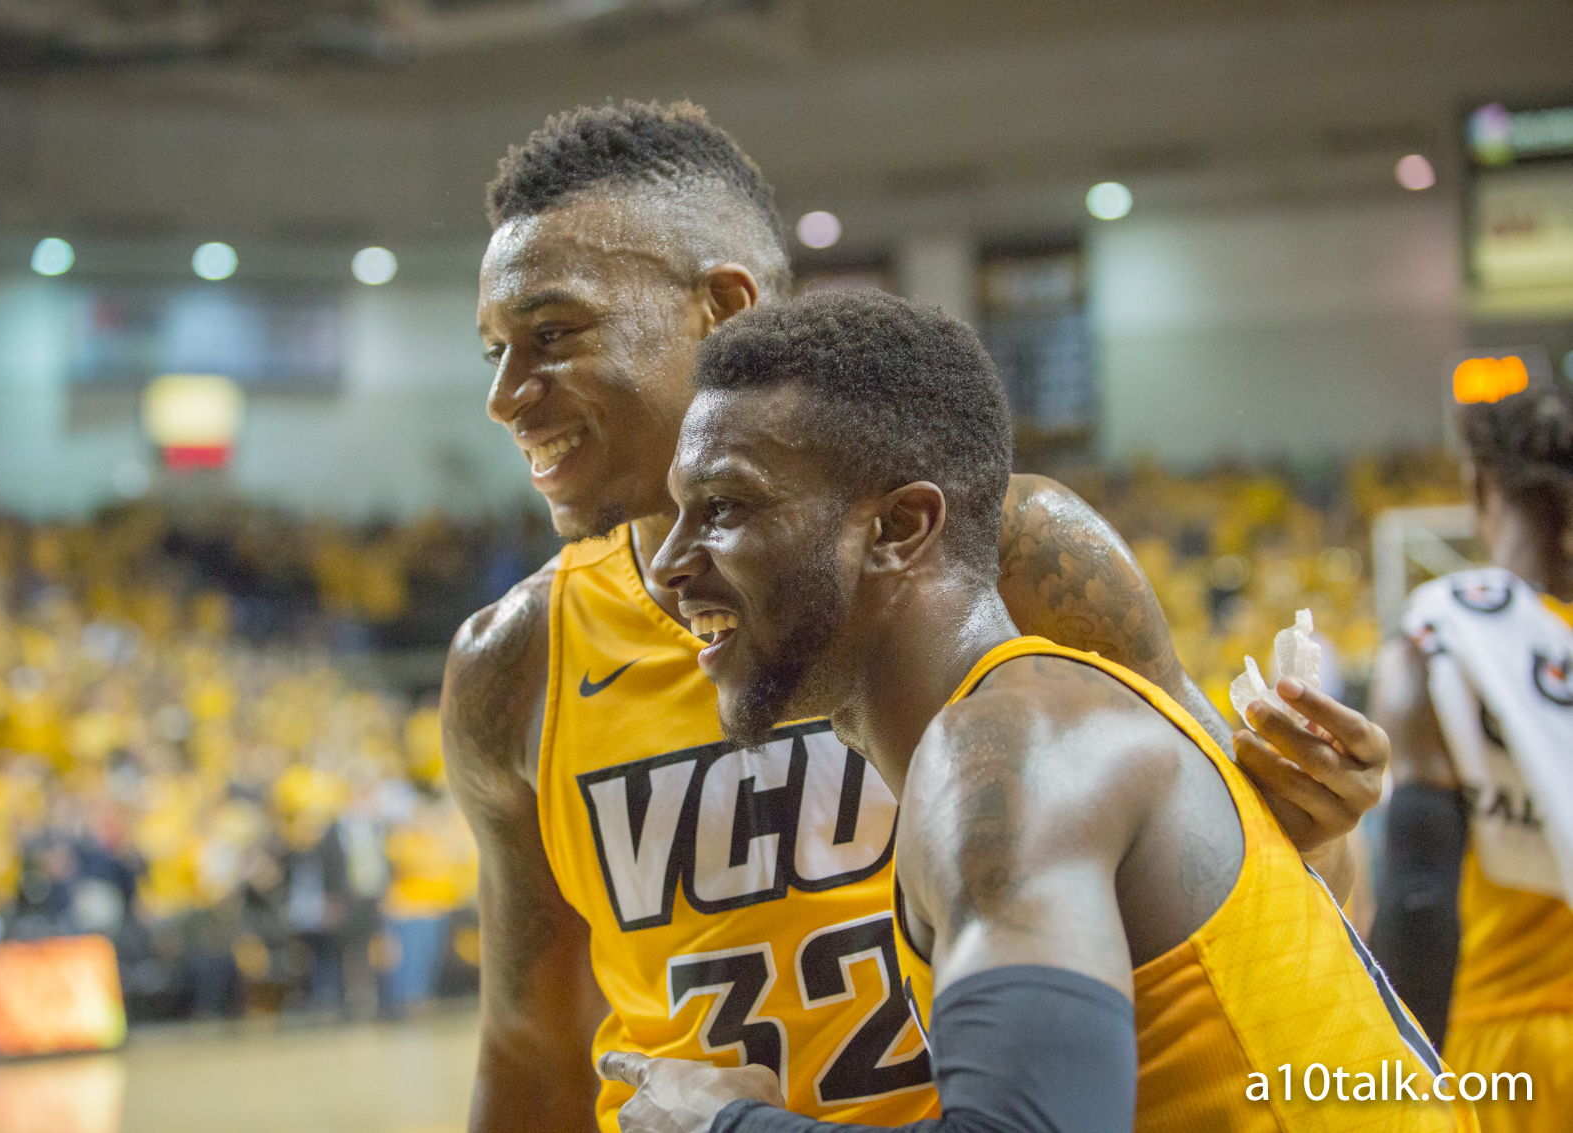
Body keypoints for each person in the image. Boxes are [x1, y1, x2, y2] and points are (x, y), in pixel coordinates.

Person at [448, 100, 1384, 1132]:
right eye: (493, 349)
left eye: (550, 334)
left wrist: (1315, 820)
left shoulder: (1003, 553)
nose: (504, 394)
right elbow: (532, 1054)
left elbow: (1270, 900)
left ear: (723, 308)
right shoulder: (514, 660)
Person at [603, 289, 1466, 1133]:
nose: (669, 563)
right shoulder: (1039, 717)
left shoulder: (1007, 749)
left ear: (900, 528)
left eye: (722, 508)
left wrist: (725, 1122)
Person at [1370, 381, 1573, 1133]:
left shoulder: (1441, 641)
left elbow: (1419, 900)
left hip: (1503, 1055)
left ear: (1477, 484)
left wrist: (1391, 1090)